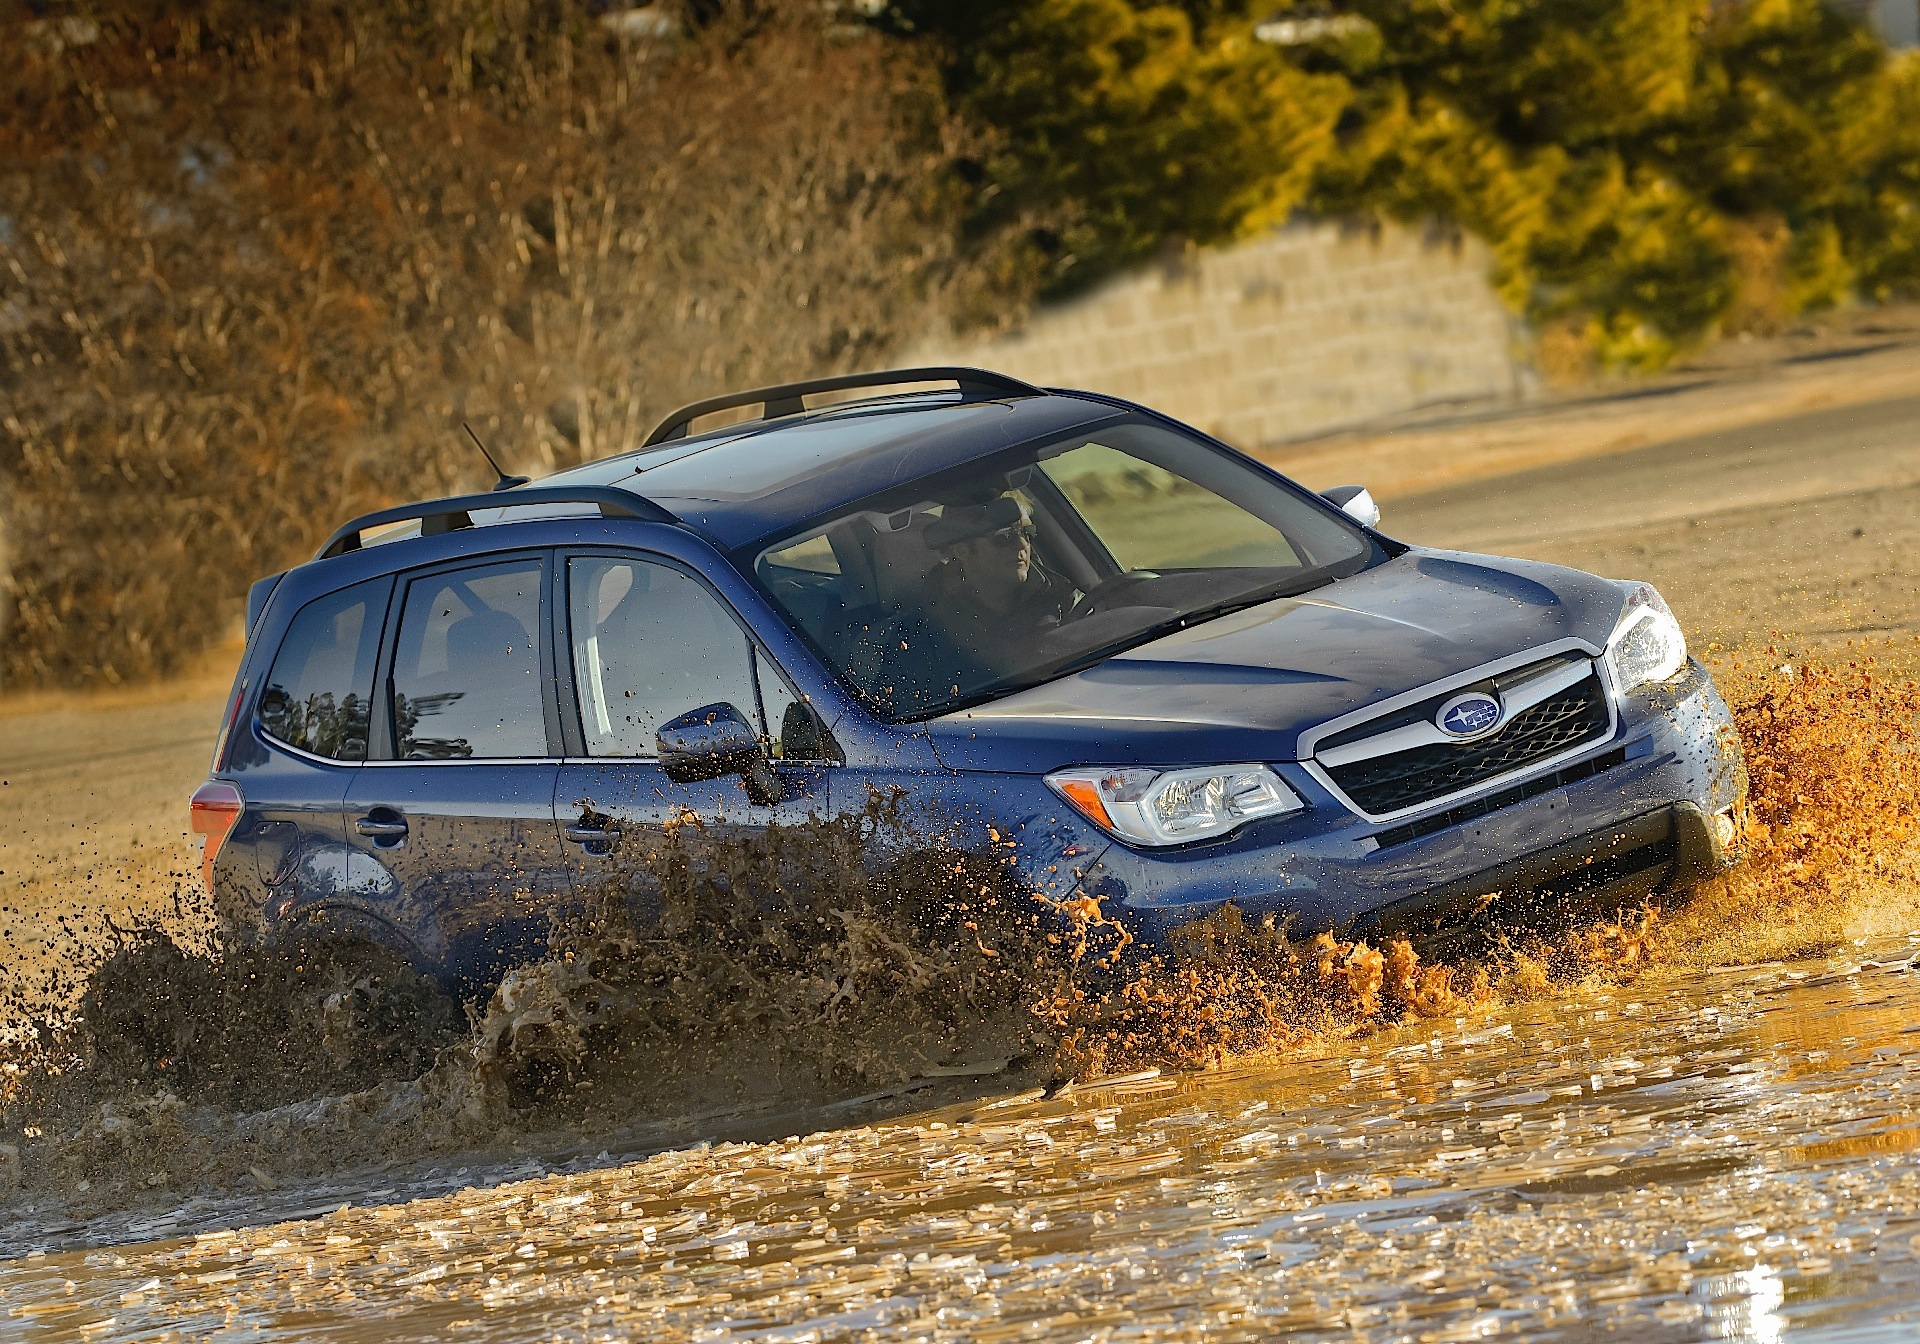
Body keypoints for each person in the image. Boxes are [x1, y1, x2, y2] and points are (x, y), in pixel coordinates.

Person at [919, 492, 1072, 674]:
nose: (1022, 544)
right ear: (961, 550)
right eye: (1004, 536)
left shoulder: (1063, 599)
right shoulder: (927, 632)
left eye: (1026, 532)